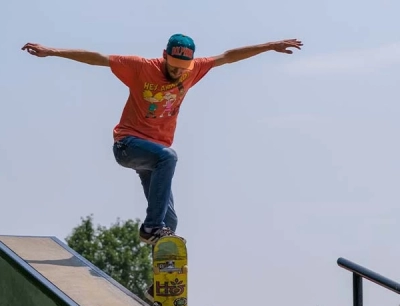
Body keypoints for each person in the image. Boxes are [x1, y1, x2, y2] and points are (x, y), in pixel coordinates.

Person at [21, 34, 303, 247]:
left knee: (171, 223)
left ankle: (158, 289)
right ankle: (150, 228)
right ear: (164, 56)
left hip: (152, 157)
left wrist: (269, 46)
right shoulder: (140, 68)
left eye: (183, 67)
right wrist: (51, 52)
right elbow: (98, 58)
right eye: (174, 65)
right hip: (128, 145)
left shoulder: (194, 70)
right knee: (168, 158)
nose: (178, 71)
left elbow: (228, 56)